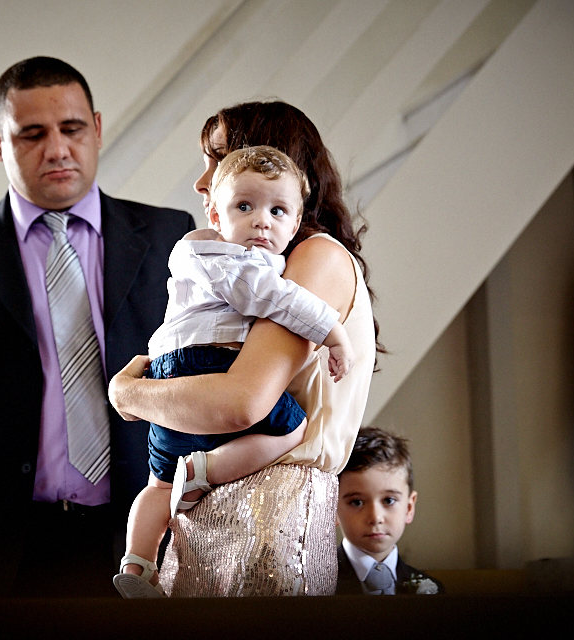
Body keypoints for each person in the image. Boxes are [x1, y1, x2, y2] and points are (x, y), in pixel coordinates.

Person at [0, 56, 194, 600]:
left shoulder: (171, 237)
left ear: (96, 127)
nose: (57, 149)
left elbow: (206, 383)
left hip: (142, 541)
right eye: (32, 135)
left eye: (71, 129)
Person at [109, 100, 377, 596]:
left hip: (268, 515)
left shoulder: (315, 257)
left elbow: (242, 404)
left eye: (217, 157)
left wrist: (128, 395)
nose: (201, 180)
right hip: (221, 513)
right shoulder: (248, 264)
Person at [334, 427, 444, 595]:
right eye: (357, 502)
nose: (375, 518)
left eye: (389, 500)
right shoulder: (315, 587)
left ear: (409, 508)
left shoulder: (433, 590)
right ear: (333, 510)